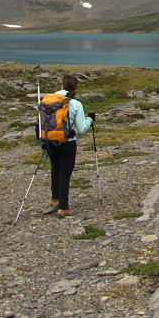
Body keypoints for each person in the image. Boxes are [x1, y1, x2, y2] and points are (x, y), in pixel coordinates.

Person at [42, 73, 95, 218]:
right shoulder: (75, 104)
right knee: (65, 173)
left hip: (49, 141)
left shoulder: (48, 100)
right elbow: (82, 128)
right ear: (75, 87)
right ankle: (63, 207)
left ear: (62, 86)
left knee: (55, 168)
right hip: (67, 142)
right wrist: (90, 119)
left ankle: (55, 199)